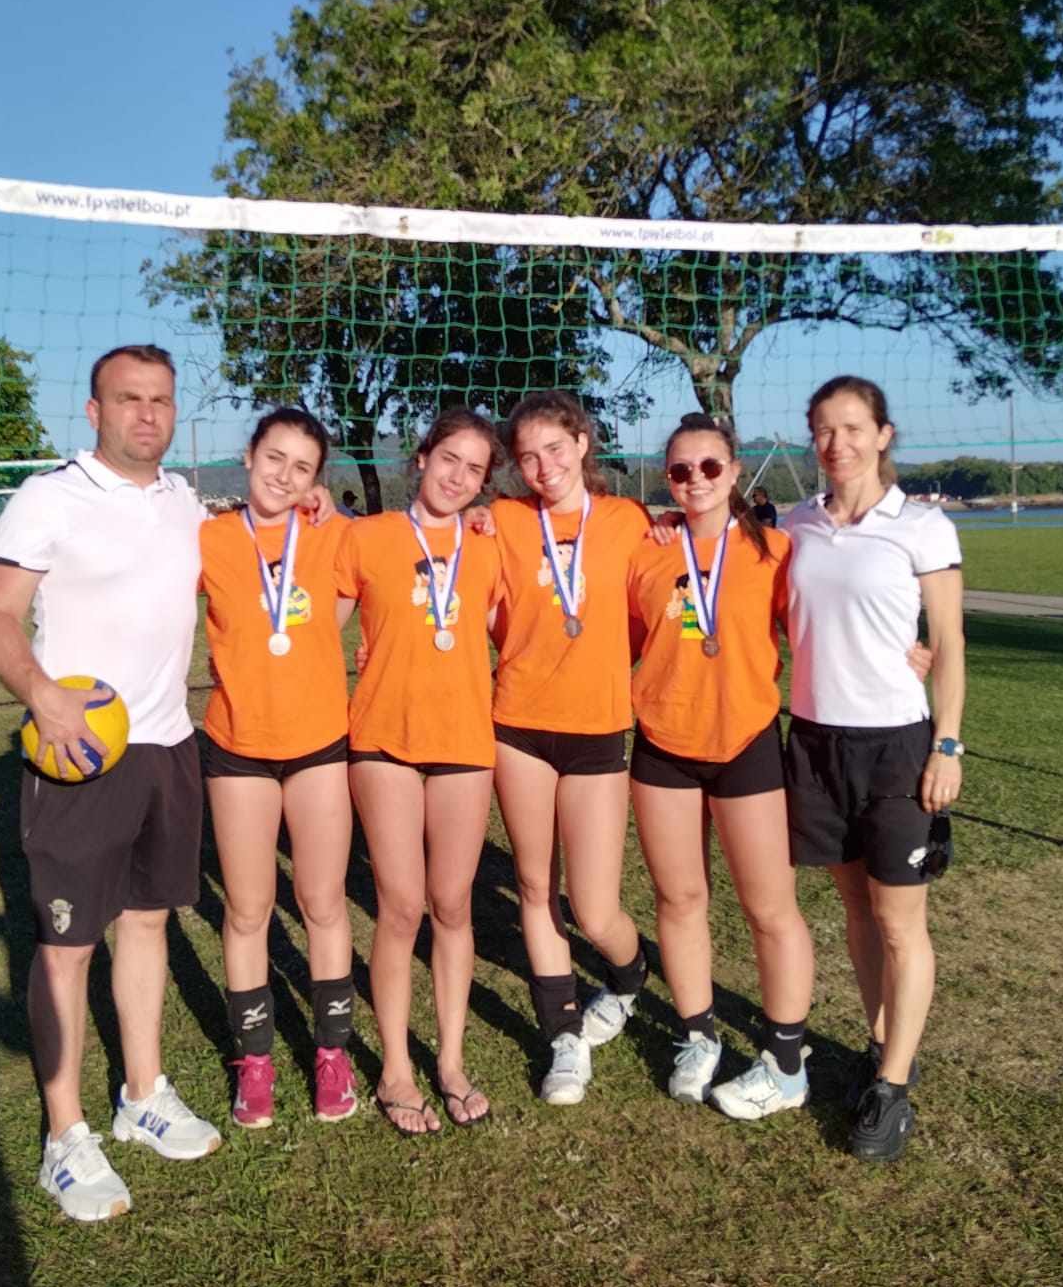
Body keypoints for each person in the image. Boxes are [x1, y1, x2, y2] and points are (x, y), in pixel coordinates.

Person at [0, 346, 331, 1222]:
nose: (146, 414)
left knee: (147, 923)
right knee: (66, 946)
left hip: (170, 747)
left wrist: (316, 500)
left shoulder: (184, 505)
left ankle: (142, 1094)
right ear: (94, 410)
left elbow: (261, 538)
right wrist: (41, 695)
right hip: (82, 752)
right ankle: (66, 1134)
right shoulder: (48, 497)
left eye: (161, 400)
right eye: (128, 399)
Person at [782, 374, 965, 1163]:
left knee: (899, 921)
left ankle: (889, 1094)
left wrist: (947, 744)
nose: (838, 443)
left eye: (854, 427)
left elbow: (948, 643)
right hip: (814, 744)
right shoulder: (794, 524)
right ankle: (885, 1045)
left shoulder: (921, 526)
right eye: (824, 429)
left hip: (896, 745)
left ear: (883, 435)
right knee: (856, 910)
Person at [627, 414, 817, 1119]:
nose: (696, 480)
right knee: (680, 900)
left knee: (770, 908)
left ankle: (786, 1061)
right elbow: (620, 638)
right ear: (667, 479)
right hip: (663, 745)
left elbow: (820, 630)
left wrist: (905, 653)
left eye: (710, 467)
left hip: (746, 743)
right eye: (681, 470)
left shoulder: (775, 550)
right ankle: (698, 1035)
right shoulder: (646, 553)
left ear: (735, 472)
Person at [334, 409, 505, 1134]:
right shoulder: (366, 537)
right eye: (449, 459)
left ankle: (452, 1062)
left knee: (454, 904)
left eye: (475, 469)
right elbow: (319, 627)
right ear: (422, 457)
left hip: (465, 740)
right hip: (383, 738)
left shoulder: (492, 543)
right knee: (401, 906)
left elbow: (517, 629)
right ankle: (397, 1070)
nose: (458, 477)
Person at [488, 391, 655, 1104]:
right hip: (518, 725)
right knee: (535, 888)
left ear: (583, 443)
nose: (543, 466)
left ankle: (630, 975)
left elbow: (660, 603)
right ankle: (563, 1037)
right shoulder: (502, 520)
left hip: (596, 727)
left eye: (554, 448)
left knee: (593, 908)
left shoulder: (628, 520)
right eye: (527, 457)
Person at [199, 409, 359, 1127]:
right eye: (275, 458)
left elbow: (369, 578)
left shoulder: (333, 533)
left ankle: (332, 1054)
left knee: (322, 903)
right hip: (238, 746)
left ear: (317, 479)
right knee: (246, 909)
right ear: (249, 455)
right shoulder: (208, 538)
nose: (285, 476)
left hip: (319, 742)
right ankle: (255, 1062)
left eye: (302, 468)